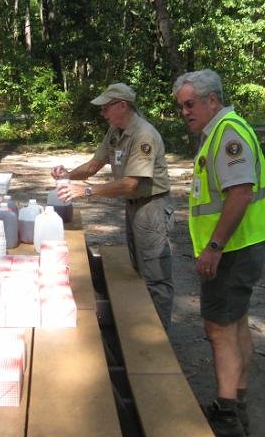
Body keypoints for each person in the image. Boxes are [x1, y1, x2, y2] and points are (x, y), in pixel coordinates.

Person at [173, 69, 265, 437]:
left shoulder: (228, 133)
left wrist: (213, 248)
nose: (185, 112)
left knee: (219, 330)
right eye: (181, 106)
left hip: (233, 249)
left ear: (212, 100)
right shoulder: (219, 133)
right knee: (235, 325)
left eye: (190, 104)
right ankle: (239, 407)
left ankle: (227, 419)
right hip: (241, 245)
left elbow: (240, 194)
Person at [51, 82, 175, 329]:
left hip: (151, 206)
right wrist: (67, 175)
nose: (102, 113)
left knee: (155, 276)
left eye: (106, 108)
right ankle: (145, 325)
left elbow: (131, 183)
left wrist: (87, 190)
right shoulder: (115, 131)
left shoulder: (143, 135)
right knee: (139, 267)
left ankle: (161, 340)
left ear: (122, 106)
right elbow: (93, 166)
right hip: (134, 206)